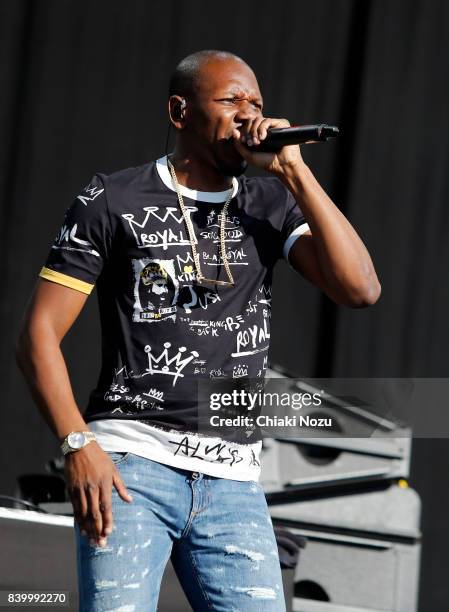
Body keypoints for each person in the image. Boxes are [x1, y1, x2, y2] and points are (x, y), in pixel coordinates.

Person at [16, 49, 381, 611]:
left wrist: (295, 171)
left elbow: (361, 289)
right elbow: (38, 336)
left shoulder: (269, 204)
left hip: (232, 480)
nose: (247, 113)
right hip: (132, 466)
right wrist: (76, 443)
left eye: (256, 102)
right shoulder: (113, 198)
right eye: (231, 99)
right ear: (179, 112)